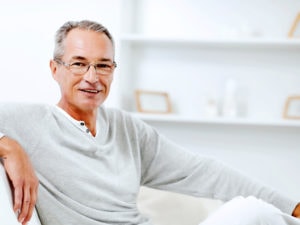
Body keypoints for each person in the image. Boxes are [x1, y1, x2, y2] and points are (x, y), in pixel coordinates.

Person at [0, 20, 299, 225]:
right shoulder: (30, 121)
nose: (92, 77)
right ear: (55, 69)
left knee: (255, 212)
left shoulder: (127, 129)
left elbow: (203, 172)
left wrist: (292, 207)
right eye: (79, 63)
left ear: (113, 71)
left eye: (103, 65)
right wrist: (7, 145)